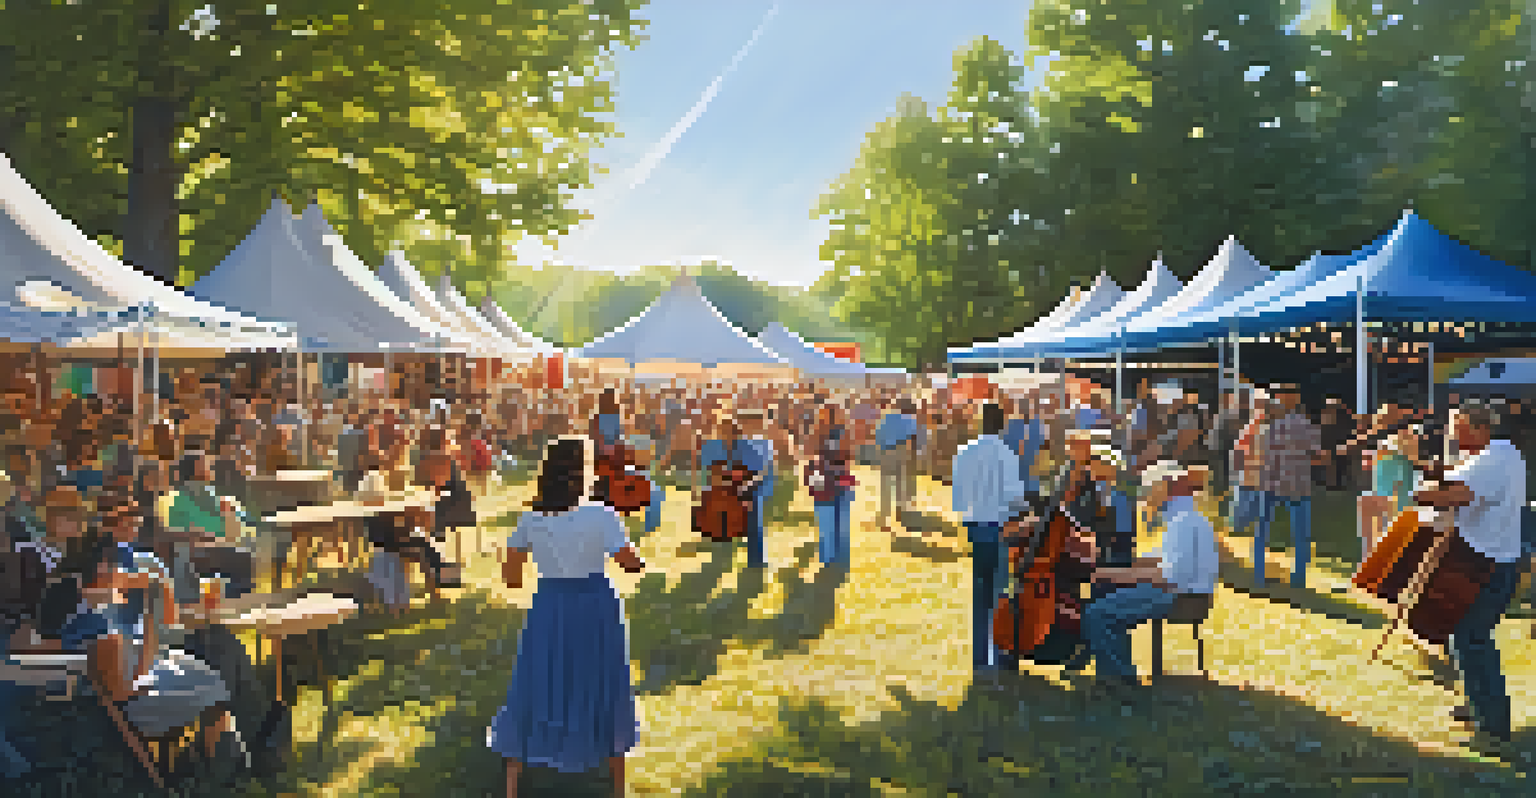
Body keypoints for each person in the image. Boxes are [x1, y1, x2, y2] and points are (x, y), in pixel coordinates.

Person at [488, 437, 643, 798]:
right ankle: (617, 784)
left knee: (537, 679)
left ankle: (513, 783)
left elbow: (511, 576)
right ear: (584, 471)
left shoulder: (531, 517)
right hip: (595, 605)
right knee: (602, 680)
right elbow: (631, 564)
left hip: (550, 605)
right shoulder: (601, 514)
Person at [1414, 406, 1527, 746]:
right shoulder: (1504, 453)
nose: (1451, 435)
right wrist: (1432, 470)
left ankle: (1492, 724)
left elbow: (1455, 495)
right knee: (1468, 637)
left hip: (1485, 562)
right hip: (1495, 558)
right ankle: (1479, 706)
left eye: (1456, 428)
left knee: (1470, 639)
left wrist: (1419, 492)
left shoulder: (1491, 460)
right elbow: (1456, 476)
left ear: (1476, 428)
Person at [1080, 462, 1218, 687]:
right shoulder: (1186, 517)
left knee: (1098, 614)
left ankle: (1118, 679)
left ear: (1165, 488)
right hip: (1185, 593)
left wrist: (1112, 575)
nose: (1145, 496)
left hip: (1181, 597)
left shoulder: (1182, 522)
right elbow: (1157, 559)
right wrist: (1106, 564)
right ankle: (1115, 670)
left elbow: (1167, 577)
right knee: (1105, 600)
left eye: (1149, 489)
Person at [951, 402, 1028, 676]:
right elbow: (1014, 498)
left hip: (975, 526)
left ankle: (980, 657)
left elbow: (957, 497)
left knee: (980, 594)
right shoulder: (1006, 455)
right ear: (1002, 425)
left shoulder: (964, 452)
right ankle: (996, 655)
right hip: (999, 526)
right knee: (999, 596)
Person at [1255, 385, 1323, 589]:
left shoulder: (1265, 426)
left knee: (1262, 532)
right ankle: (1299, 578)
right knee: (1300, 535)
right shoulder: (1304, 425)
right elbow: (1317, 454)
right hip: (1297, 484)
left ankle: (1259, 574)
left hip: (1269, 482)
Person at [807, 420, 855, 566]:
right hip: (833, 489)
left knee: (830, 525)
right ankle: (834, 555)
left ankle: (830, 556)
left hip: (830, 489)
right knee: (835, 524)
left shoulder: (820, 457)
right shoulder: (825, 456)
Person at [875, 400, 919, 533]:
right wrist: (912, 457)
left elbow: (878, 436)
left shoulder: (886, 418)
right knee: (901, 487)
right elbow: (913, 438)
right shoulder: (909, 420)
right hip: (901, 451)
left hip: (886, 452)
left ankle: (883, 519)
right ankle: (902, 516)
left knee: (886, 487)